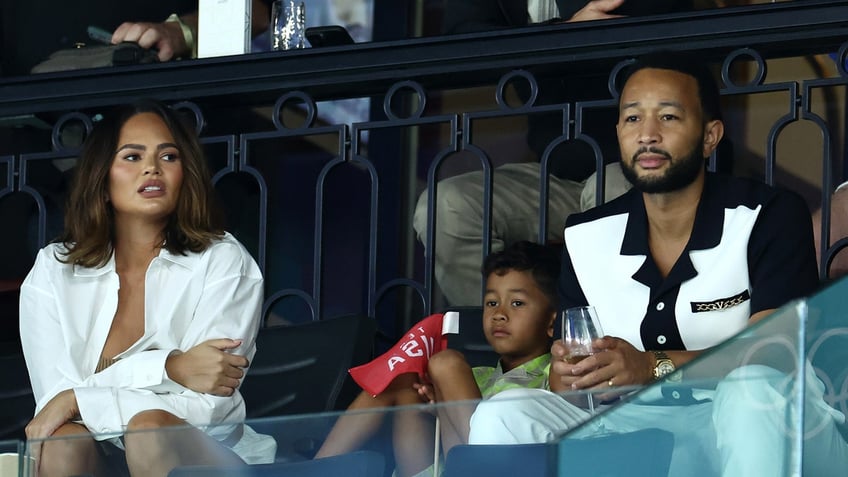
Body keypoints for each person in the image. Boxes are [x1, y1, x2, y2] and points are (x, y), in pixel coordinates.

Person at [465, 53, 848, 476]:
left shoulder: (766, 214)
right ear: (618, 133)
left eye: (668, 117)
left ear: (709, 135)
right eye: (632, 119)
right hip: (639, 430)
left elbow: (777, 352)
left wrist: (653, 366)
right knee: (504, 413)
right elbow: (570, 383)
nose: (647, 135)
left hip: (764, 427)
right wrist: (572, 377)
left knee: (752, 388)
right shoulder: (586, 235)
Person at [18, 99, 275, 476]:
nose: (152, 167)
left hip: (208, 458)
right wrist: (171, 367)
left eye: (168, 157)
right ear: (102, 180)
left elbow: (208, 408)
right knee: (62, 441)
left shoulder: (222, 259)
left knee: (148, 428)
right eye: (132, 157)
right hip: (95, 457)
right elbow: (55, 407)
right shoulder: (54, 270)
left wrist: (80, 397)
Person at [414, 0, 722, 306]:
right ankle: (511, 346)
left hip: (637, 163)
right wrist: (561, 35)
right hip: (552, 168)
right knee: (447, 206)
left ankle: (615, 344)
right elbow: (462, 40)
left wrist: (571, 41)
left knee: (613, 193)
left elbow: (677, 38)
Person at [314, 241, 560, 477]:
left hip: (498, 471)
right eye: (491, 302)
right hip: (449, 466)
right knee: (404, 381)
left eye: (517, 303)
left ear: (552, 321)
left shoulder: (557, 375)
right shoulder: (476, 375)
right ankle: (314, 470)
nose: (499, 314)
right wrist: (441, 409)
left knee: (446, 362)